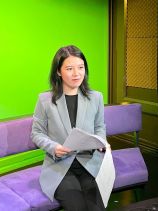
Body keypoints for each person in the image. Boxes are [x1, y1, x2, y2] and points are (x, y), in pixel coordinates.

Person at [31, 45, 110, 211]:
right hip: (60, 166)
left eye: (81, 67)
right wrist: (54, 147)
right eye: (69, 68)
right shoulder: (45, 100)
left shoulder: (96, 97)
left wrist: (101, 142)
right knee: (78, 207)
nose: (77, 74)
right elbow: (36, 133)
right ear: (58, 72)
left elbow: (99, 127)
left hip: (89, 163)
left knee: (97, 208)